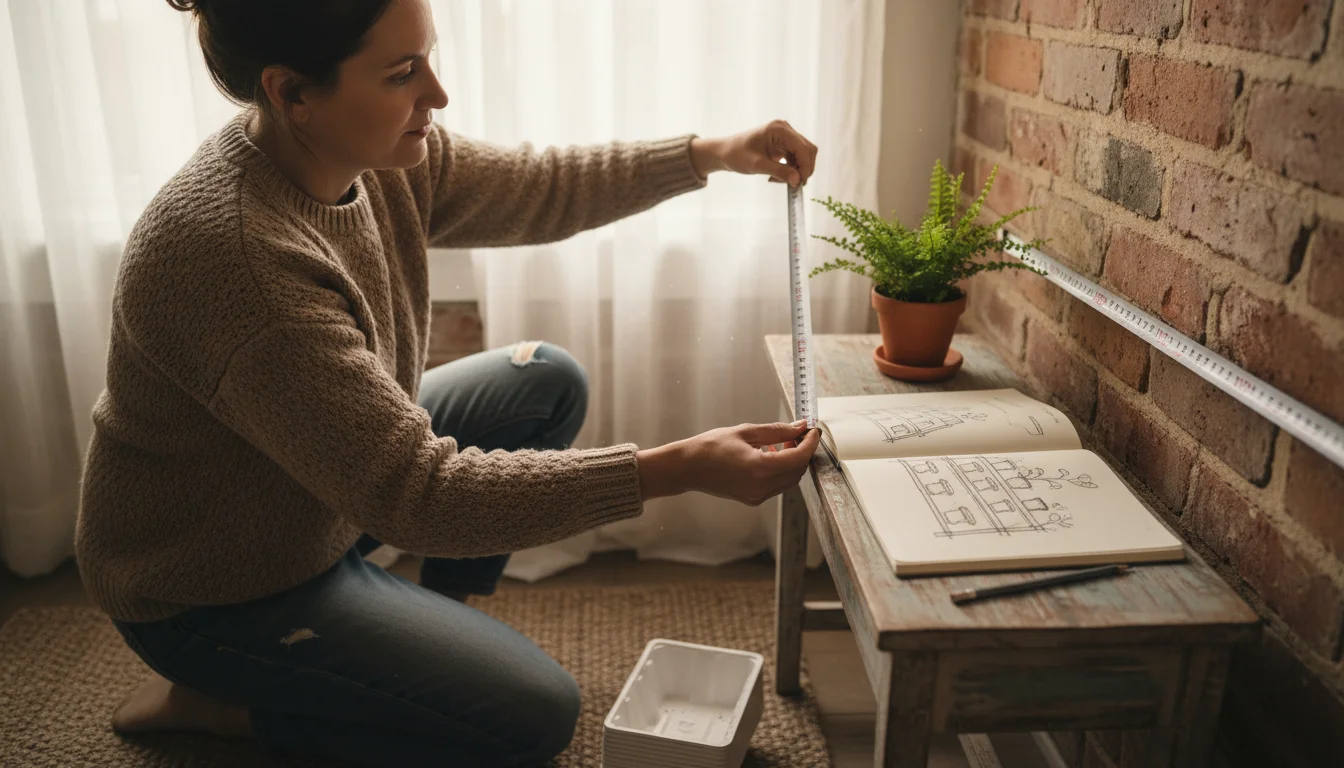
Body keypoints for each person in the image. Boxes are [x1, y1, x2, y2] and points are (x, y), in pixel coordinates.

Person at [73, 0, 822, 765]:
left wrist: (710, 152)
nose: (437, 93)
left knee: (544, 381)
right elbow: (424, 497)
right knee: (532, 716)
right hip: (218, 582)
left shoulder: (360, 153)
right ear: (292, 92)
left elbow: (544, 187)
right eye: (402, 74)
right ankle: (222, 702)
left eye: (426, 58)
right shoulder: (239, 261)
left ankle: (409, 646)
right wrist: (681, 468)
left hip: (316, 494)